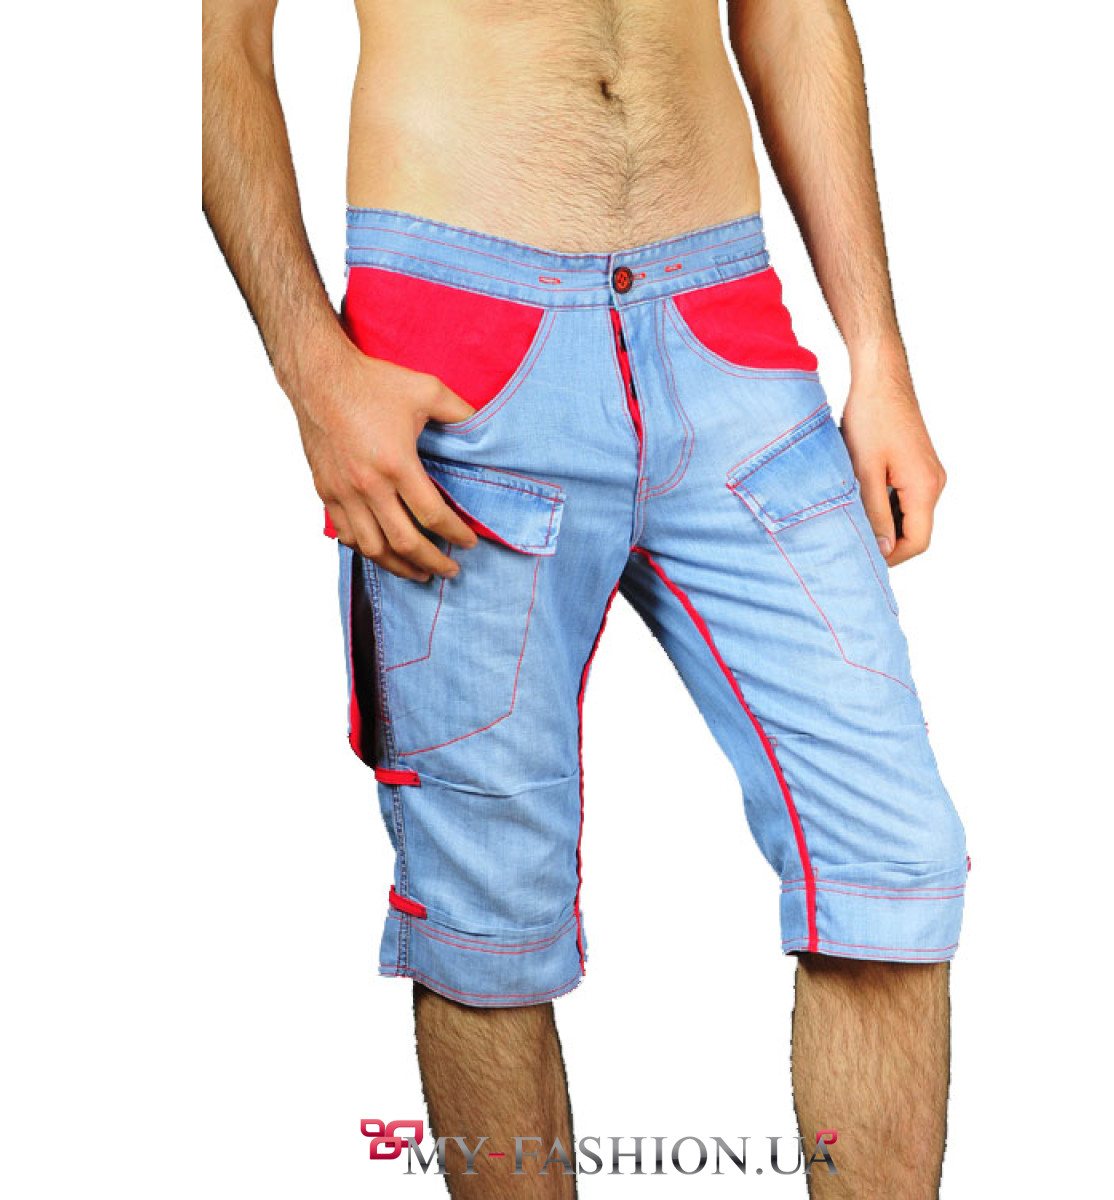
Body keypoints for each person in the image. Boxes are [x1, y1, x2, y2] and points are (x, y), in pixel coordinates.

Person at [202, 1, 969, 1194]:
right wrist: (314, 372)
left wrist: (879, 355)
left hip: (727, 330)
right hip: (460, 350)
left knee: (892, 860)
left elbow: (791, 13)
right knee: (487, 920)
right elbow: (217, 54)